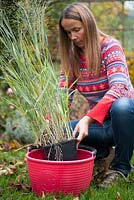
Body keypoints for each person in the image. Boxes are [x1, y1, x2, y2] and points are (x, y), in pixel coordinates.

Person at [58, 2, 134, 188]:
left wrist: (88, 119)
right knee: (62, 131)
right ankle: (100, 154)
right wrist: (50, 119)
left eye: (76, 30)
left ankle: (121, 168)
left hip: (126, 121)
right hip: (103, 126)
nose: (73, 37)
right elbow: (62, 92)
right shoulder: (73, 56)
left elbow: (119, 88)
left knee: (122, 106)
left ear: (88, 25)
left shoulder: (110, 47)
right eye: (68, 33)